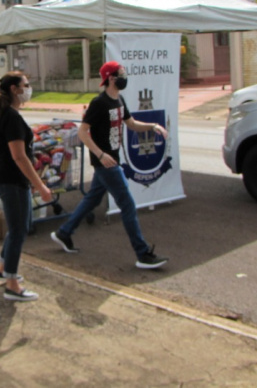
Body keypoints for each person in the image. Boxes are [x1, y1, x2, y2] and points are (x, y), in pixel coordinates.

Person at [51, 61, 169, 269]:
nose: (124, 76)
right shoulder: (99, 103)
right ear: (110, 78)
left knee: (92, 199)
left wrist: (153, 126)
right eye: (120, 73)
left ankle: (64, 233)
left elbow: (131, 124)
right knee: (128, 204)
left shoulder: (119, 100)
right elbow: (82, 132)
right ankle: (142, 254)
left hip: (112, 159)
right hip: (105, 162)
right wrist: (100, 154)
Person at [0, 72, 54, 302]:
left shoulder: (3, 116)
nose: (29, 88)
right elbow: (19, 156)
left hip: (9, 179)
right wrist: (40, 185)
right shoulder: (11, 118)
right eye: (26, 85)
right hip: (12, 180)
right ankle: (12, 284)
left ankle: (4, 268)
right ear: (15, 89)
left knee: (22, 225)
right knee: (18, 231)